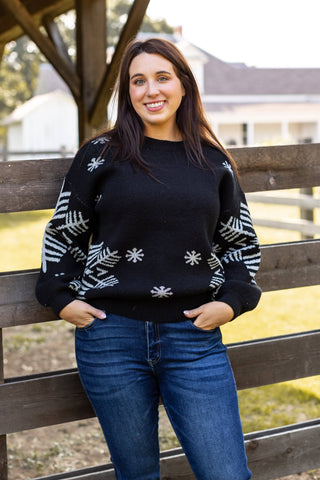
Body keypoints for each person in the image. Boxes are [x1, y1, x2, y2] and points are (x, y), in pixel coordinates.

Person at [36, 37, 261, 480]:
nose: (150, 90)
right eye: (138, 81)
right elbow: (63, 232)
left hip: (194, 339)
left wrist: (232, 301)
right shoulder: (100, 156)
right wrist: (58, 296)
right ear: (127, 92)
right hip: (110, 337)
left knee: (227, 474)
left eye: (162, 77)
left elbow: (242, 243)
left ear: (183, 86)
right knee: (136, 474)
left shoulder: (213, 162)